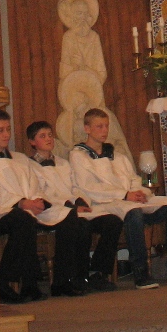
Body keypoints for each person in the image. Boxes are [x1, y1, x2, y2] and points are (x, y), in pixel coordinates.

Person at [68, 109, 167, 289]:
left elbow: (133, 178)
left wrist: (139, 193)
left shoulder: (117, 156)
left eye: (106, 126)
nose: (104, 130)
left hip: (130, 198)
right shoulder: (79, 156)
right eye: (99, 126)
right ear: (87, 129)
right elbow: (88, 187)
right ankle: (141, 273)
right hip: (105, 203)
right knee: (133, 213)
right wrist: (125, 195)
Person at [0, 110, 87, 300]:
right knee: (23, 220)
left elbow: (34, 183)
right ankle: (8, 282)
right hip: (5, 210)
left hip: (30, 205)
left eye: (8, 129)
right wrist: (21, 203)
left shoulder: (20, 158)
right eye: (0, 130)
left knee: (69, 216)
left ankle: (61, 281)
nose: (6, 134)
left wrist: (37, 201)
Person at [27, 119, 122, 292]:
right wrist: (70, 207)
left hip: (74, 208)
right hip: (52, 211)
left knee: (112, 221)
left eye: (50, 135)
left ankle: (98, 272)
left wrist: (79, 201)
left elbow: (75, 187)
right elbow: (40, 194)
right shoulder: (30, 166)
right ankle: (72, 278)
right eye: (42, 136)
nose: (48, 139)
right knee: (80, 224)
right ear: (32, 142)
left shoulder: (63, 163)